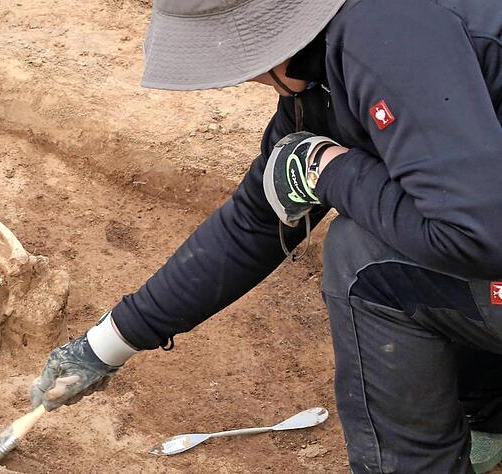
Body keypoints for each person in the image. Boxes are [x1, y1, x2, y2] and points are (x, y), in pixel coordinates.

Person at [30, 0, 502, 472]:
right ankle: (488, 415)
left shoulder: (387, 38)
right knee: (403, 210)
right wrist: (104, 346)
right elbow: (259, 219)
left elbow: (477, 236)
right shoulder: (328, 72)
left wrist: (330, 170)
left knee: (364, 262)